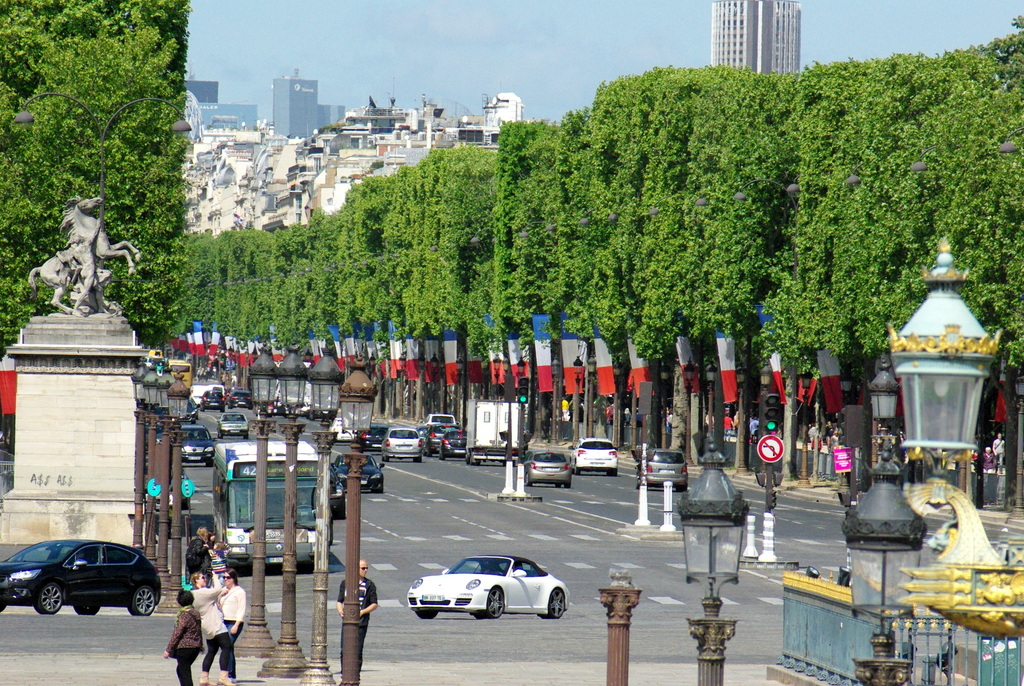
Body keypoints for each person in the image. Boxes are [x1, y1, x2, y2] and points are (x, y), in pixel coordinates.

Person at [190, 571, 234, 686]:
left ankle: (204, 678)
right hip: (215, 623)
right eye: (202, 578)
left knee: (212, 651)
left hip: (206, 625)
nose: (205, 579)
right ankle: (224, 677)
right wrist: (215, 577)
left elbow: (213, 597)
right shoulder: (203, 592)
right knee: (226, 646)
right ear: (196, 581)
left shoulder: (193, 594)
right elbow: (217, 589)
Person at [337, 558, 379, 676]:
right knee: (344, 648)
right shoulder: (346, 583)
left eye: (366, 568)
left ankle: (355, 673)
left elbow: (374, 604)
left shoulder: (369, 585)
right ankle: (344, 672)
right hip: (347, 621)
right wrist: (341, 611)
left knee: (358, 648)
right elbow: (339, 601)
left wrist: (362, 612)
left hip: (361, 621)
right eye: (363, 568)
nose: (365, 570)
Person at [165, 589, 204, 686]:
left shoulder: (184, 615)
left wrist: (168, 649)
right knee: (181, 670)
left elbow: (177, 633)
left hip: (184, 648)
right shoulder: (196, 612)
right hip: (195, 647)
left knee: (185, 673)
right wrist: (201, 644)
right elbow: (199, 629)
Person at [219, 569, 246, 682]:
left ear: (233, 579)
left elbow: (242, 609)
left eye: (228, 578)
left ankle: (229, 674)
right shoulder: (224, 590)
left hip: (234, 622)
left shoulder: (240, 592)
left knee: (227, 646)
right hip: (224, 621)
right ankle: (230, 674)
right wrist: (220, 595)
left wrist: (237, 624)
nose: (225, 580)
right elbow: (218, 605)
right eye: (224, 577)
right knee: (228, 648)